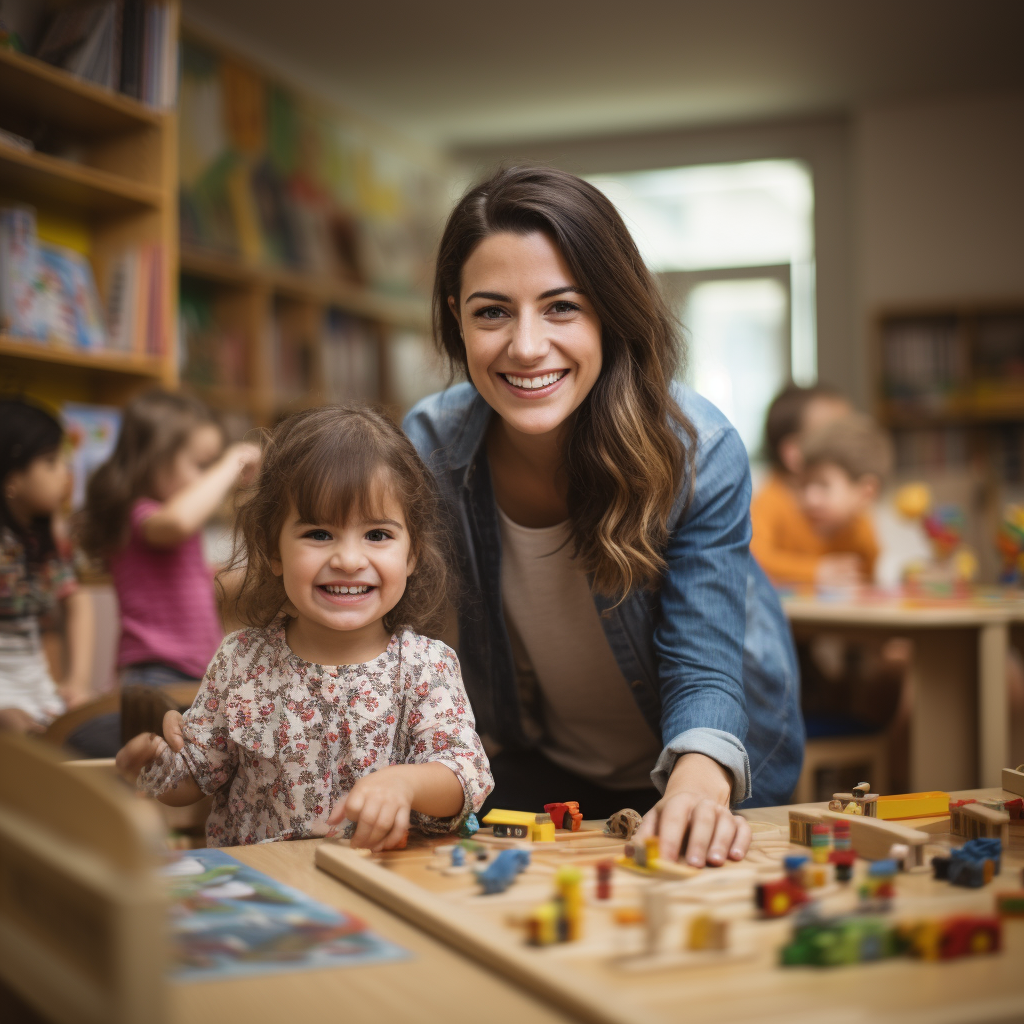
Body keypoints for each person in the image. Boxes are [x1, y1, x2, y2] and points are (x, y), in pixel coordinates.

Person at [402, 166, 803, 867]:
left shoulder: (699, 451)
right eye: (492, 311)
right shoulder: (430, 447)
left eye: (562, 307)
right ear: (455, 316)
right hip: (543, 766)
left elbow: (705, 668)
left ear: (610, 312)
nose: (526, 345)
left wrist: (696, 788)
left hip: (715, 762)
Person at [116, 406, 493, 849]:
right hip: (268, 898)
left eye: (377, 535)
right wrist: (152, 765)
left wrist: (406, 784)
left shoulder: (426, 665)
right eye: (318, 534)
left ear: (411, 555)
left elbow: (465, 774)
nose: (349, 560)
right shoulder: (241, 661)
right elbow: (192, 778)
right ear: (273, 550)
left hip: (382, 887)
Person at [79, 389, 259, 688]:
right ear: (154, 459)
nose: (205, 477)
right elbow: (177, 522)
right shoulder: (139, 514)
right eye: (201, 464)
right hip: (155, 671)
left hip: (193, 668)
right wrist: (230, 463)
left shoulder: (172, 522)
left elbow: (186, 583)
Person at [0, 399, 93, 734]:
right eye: (52, 462)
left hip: (38, 691)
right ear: (12, 479)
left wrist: (76, 682)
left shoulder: (45, 541)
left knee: (102, 728)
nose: (65, 476)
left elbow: (77, 601)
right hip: (5, 700)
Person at [750, 383, 875, 587]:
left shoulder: (846, 496)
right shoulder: (771, 500)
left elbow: (866, 567)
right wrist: (816, 571)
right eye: (836, 434)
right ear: (795, 454)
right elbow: (753, 560)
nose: (850, 441)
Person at [799, 413, 893, 571]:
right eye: (804, 485)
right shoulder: (797, 520)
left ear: (866, 493)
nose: (809, 499)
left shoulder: (865, 540)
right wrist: (816, 571)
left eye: (823, 485)